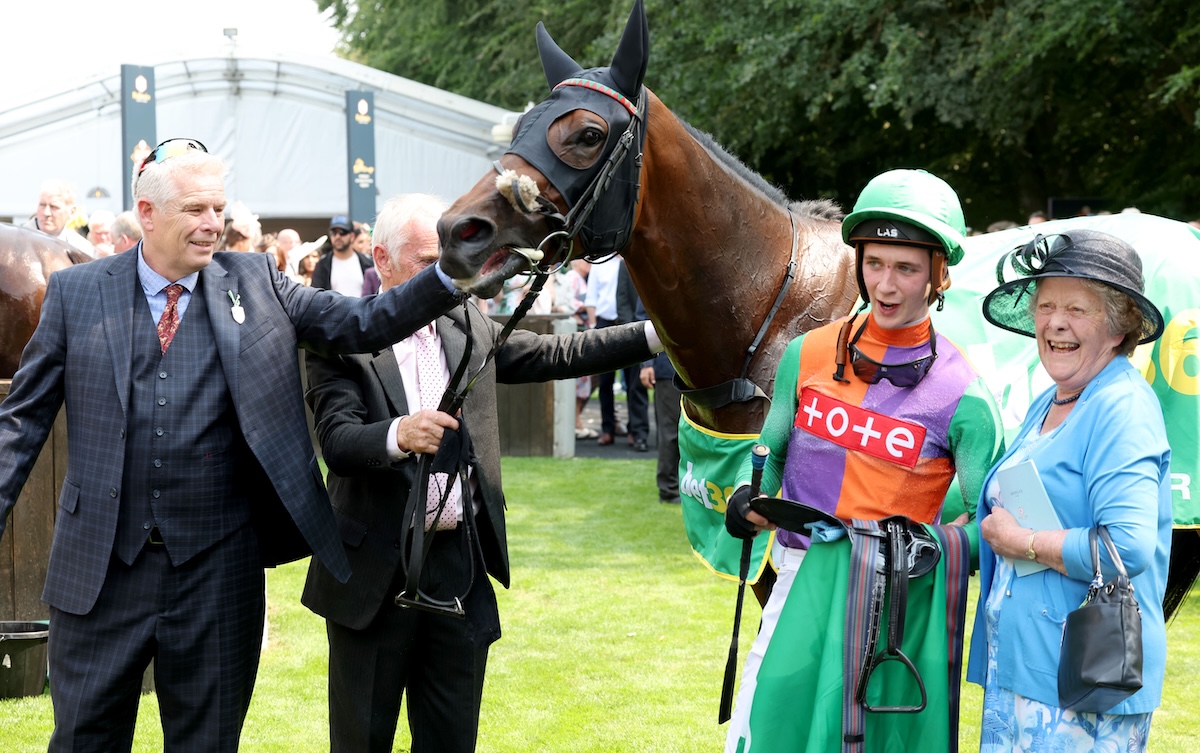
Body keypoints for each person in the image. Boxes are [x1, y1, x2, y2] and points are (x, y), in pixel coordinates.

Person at [0, 139, 465, 752]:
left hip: (218, 576)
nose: (212, 223)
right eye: (195, 209)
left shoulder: (258, 282)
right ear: (147, 213)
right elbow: (22, 422)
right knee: (83, 741)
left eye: (218, 208)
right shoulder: (78, 293)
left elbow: (364, 323)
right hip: (99, 575)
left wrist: (453, 270)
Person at [301, 193, 662, 753]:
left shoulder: (464, 318)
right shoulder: (341, 334)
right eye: (429, 262)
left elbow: (553, 354)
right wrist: (399, 434)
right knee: (360, 741)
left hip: (458, 568)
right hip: (372, 572)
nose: (445, 274)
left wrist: (655, 336)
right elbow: (337, 440)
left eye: (449, 258)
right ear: (382, 258)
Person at [722, 169, 1005, 753]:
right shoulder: (808, 352)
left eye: (906, 268)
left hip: (893, 603)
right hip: (798, 582)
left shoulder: (968, 397)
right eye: (875, 264)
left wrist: (919, 549)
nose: (887, 284)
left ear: (939, 274)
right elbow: (771, 455)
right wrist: (749, 501)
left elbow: (989, 526)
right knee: (765, 735)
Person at [968, 230, 1171, 752]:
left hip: (1082, 682)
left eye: (1077, 309)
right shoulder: (1055, 398)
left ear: (1119, 324)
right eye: (1046, 306)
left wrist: (1024, 543)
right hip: (1027, 668)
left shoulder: (1119, 407)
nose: (1055, 322)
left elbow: (1126, 547)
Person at [641, 345, 680, 504]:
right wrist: (647, 364)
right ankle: (668, 489)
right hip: (668, 367)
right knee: (671, 431)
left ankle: (675, 487)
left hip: (691, 366)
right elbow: (644, 321)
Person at [26, 179, 96, 257]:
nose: (46, 213)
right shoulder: (17, 241)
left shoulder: (81, 248)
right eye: (42, 205)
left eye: (54, 207)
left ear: (72, 212)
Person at [313, 215, 374, 296]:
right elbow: (317, 295)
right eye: (334, 233)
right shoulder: (323, 264)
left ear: (352, 236)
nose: (338, 236)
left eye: (342, 232)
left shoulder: (367, 262)